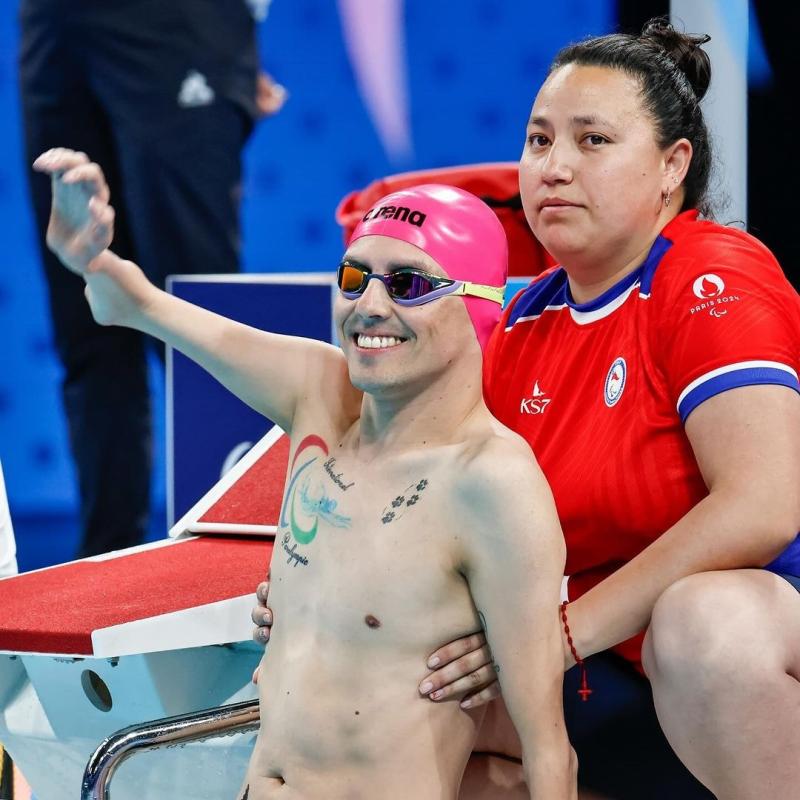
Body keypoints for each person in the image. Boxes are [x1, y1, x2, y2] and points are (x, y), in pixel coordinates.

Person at [248, 18, 800, 800]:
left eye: (592, 141)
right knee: (396, 684)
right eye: (539, 141)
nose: (554, 168)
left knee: (703, 625)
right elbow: (424, 494)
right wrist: (321, 589)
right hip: (609, 665)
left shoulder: (713, 274)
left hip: (746, 640)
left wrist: (558, 636)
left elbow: (764, 506)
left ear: (673, 166)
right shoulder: (521, 320)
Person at [34, 148, 577, 799]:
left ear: (486, 307)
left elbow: (548, 752)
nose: (369, 306)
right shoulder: (318, 395)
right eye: (354, 278)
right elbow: (137, 306)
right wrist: (87, 255)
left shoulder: (491, 483)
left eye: (409, 284)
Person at [19, 0, 286, 558]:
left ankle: (228, 560)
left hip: (178, 21)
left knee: (195, 307)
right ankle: (103, 561)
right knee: (83, 290)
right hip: (52, 20)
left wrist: (236, 30)